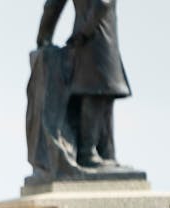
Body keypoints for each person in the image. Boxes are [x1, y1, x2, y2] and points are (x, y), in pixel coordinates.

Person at [35, 0, 131, 170]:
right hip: (95, 36)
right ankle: (89, 152)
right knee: (96, 92)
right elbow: (103, 3)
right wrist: (84, 32)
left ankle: (105, 152)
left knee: (103, 94)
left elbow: (53, 5)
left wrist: (44, 37)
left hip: (91, 36)